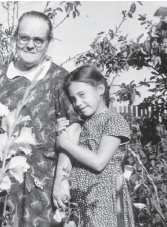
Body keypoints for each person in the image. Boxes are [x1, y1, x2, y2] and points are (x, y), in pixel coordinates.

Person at [0, 11, 82, 226]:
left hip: (43, 183)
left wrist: (62, 182)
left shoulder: (60, 78)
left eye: (38, 40)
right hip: (3, 181)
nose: (30, 45)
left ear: (48, 43)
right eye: (24, 38)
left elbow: (73, 129)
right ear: (14, 37)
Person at [55, 65, 135, 226]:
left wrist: (64, 143)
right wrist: (62, 133)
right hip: (83, 198)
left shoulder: (113, 120)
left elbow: (99, 162)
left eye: (82, 95)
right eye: (73, 99)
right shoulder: (84, 123)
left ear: (100, 89)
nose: (78, 103)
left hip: (104, 199)